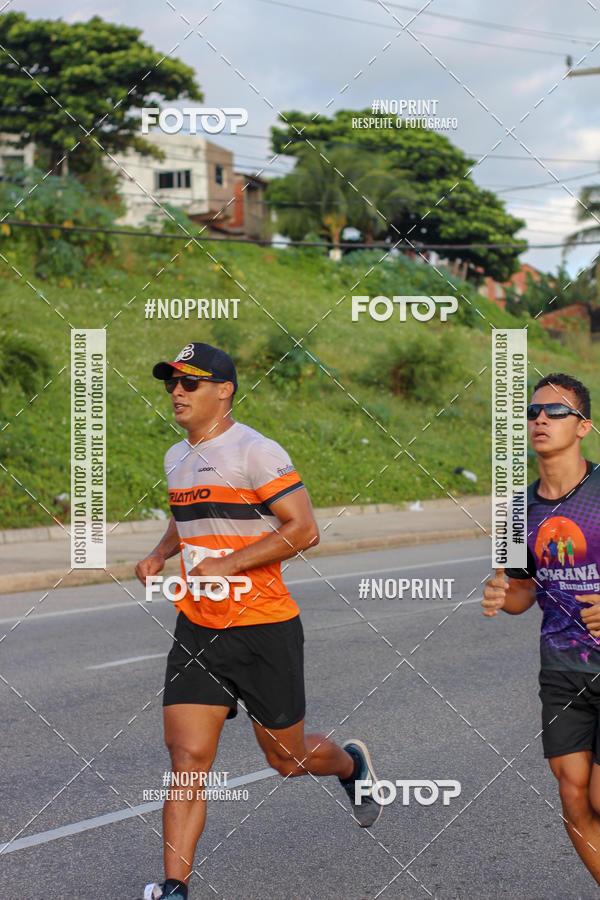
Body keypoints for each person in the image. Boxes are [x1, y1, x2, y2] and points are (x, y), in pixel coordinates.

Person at [135, 342, 382, 900]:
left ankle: (350, 766)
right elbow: (190, 515)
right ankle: (174, 887)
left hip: (263, 627)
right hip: (199, 627)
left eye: (190, 382)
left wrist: (229, 563)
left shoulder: (256, 451)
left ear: (224, 391)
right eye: (171, 382)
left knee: (287, 760)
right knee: (187, 758)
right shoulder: (176, 456)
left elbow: (303, 529)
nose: (176, 392)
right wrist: (160, 553)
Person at [482, 372, 600, 883]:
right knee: (573, 795)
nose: (541, 419)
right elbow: (521, 592)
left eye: (556, 411)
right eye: (532, 412)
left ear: (583, 426)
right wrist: (500, 593)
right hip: (561, 666)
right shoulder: (515, 510)